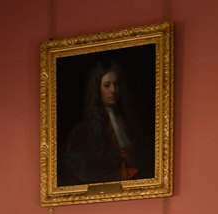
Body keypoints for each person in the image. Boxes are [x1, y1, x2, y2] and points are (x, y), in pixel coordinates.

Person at [59, 58, 153, 186]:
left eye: (116, 84)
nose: (113, 90)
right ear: (97, 89)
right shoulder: (83, 130)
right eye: (107, 85)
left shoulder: (126, 123)